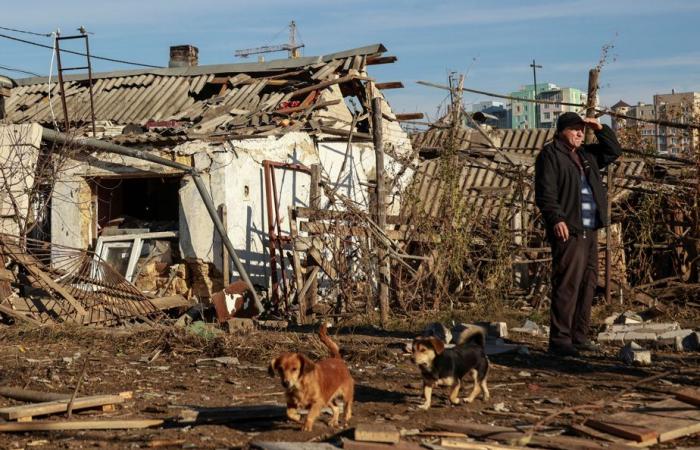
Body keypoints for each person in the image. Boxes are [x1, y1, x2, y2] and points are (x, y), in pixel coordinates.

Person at [535, 112, 621, 357]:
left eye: (583, 130)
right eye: (575, 129)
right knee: (567, 283)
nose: (580, 133)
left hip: (590, 229)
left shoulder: (585, 155)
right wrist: (556, 218)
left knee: (587, 283)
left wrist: (600, 127)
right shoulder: (550, 155)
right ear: (562, 130)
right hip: (569, 229)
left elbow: (613, 151)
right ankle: (560, 340)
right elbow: (545, 192)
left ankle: (579, 336)